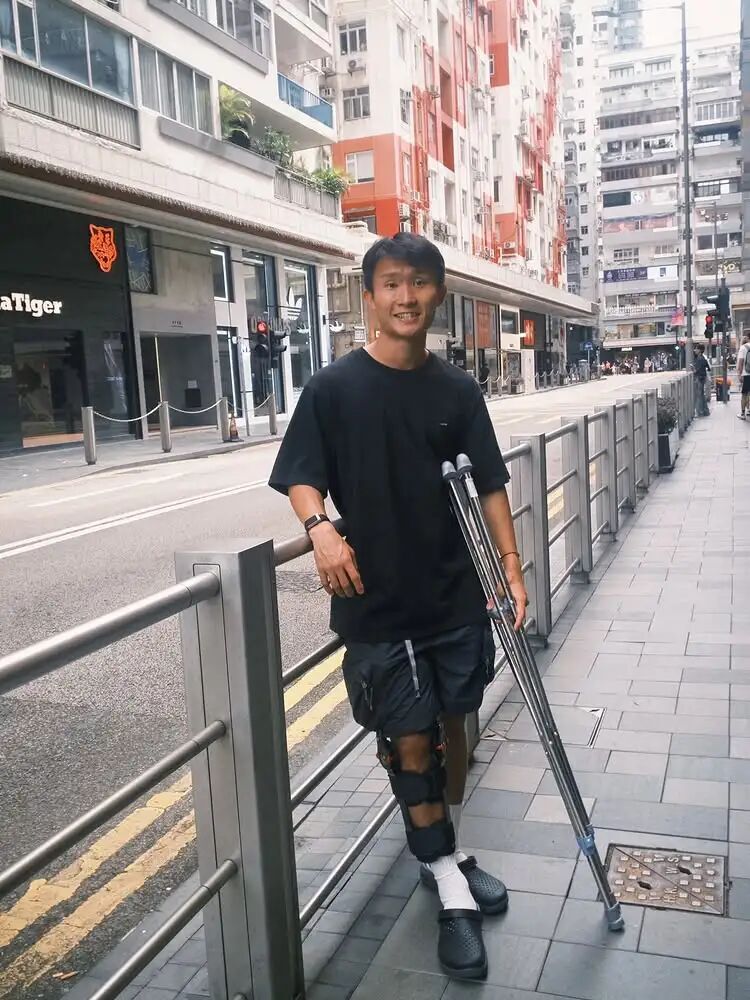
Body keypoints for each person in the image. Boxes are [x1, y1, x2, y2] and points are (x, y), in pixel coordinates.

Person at [269, 233, 528, 981]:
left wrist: (512, 568)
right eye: (390, 284)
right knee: (409, 742)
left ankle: (442, 851)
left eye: (418, 283)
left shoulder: (458, 390)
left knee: (454, 729)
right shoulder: (333, 389)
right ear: (369, 296)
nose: (404, 297)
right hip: (376, 602)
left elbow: (490, 484)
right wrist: (319, 529)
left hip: (454, 594)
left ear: (437, 294)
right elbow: (301, 475)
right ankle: (448, 882)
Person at [693, 343, 711, 417]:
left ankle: (700, 412)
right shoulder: (703, 358)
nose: (695, 350)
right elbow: (708, 368)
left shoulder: (699, 359)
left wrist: (693, 369)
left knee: (699, 395)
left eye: (696, 349)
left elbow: (697, 370)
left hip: (699, 378)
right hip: (703, 377)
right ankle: (705, 411)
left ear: (700, 350)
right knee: (702, 395)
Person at [737, 331, 750, 420]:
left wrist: (739, 374)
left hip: (746, 374)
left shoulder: (743, 347)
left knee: (744, 394)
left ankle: (742, 413)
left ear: (748, 337)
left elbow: (741, 362)